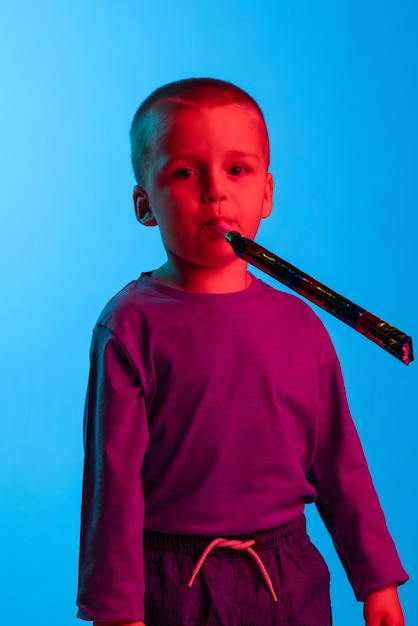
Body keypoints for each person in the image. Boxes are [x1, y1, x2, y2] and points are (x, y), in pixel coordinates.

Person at [77, 78, 408, 626]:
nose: (215, 191)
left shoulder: (300, 325)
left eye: (237, 170)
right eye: (186, 173)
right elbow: (112, 485)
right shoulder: (130, 325)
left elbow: (340, 463)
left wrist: (377, 582)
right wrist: (117, 613)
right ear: (145, 205)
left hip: (289, 579)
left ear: (267, 195)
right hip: (170, 586)